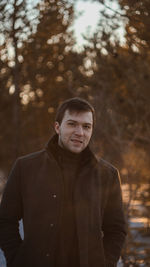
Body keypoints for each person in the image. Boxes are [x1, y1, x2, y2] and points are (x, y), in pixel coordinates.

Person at [0, 97, 126, 267]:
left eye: (86, 126)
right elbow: (5, 220)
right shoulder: (26, 168)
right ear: (57, 127)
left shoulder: (107, 175)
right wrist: (16, 260)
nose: (80, 132)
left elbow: (116, 229)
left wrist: (106, 263)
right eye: (72, 124)